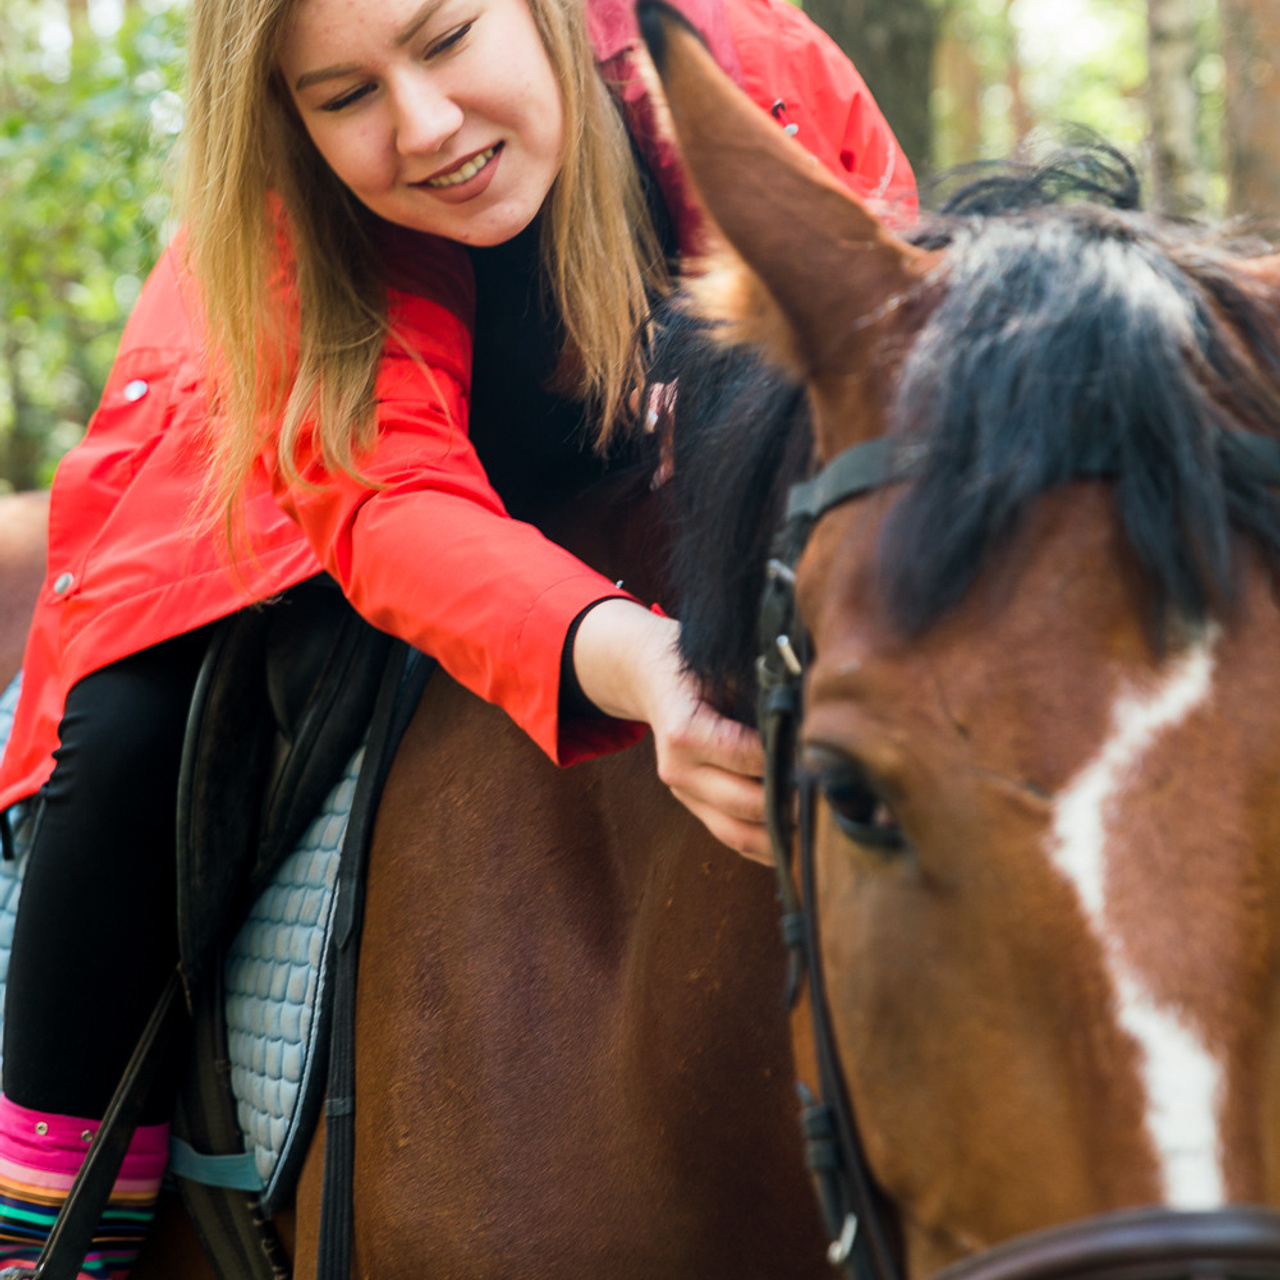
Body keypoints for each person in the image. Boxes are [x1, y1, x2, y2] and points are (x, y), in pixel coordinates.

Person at [0, 0, 916, 1273]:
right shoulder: (288, 214)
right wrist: (633, 665)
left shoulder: (752, 72)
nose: (423, 127)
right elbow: (386, 497)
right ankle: (45, 1231)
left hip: (617, 440)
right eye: (343, 96)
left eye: (443, 41)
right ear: (288, 124)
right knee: (129, 729)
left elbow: (887, 388)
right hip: (281, 454)